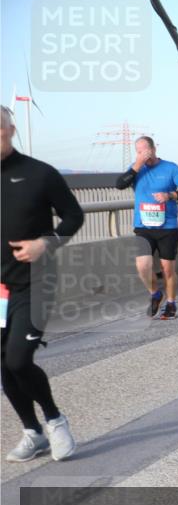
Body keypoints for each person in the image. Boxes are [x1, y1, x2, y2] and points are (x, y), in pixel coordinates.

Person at [2, 105, 84, 462]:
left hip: (35, 282)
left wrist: (45, 243)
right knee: (3, 364)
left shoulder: (39, 173)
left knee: (19, 360)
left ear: (10, 129)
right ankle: (33, 433)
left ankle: (54, 419)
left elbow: (73, 216)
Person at [115, 136, 178, 319]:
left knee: (167, 269)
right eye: (139, 151)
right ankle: (155, 294)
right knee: (142, 266)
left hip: (167, 227)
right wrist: (137, 164)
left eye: (145, 150)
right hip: (143, 226)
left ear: (153, 149)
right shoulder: (136, 169)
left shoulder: (170, 168)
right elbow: (120, 184)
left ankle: (171, 303)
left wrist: (170, 195)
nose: (143, 154)